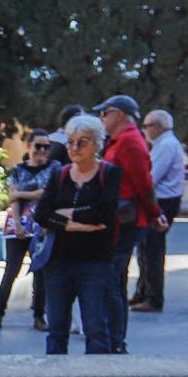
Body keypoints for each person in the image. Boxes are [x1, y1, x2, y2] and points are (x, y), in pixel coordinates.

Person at [31, 113, 122, 355]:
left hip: (95, 263)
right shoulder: (59, 174)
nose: (74, 147)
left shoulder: (109, 173)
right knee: (57, 330)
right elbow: (41, 214)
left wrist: (63, 216)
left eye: (82, 142)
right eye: (70, 142)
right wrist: (76, 223)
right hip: (58, 263)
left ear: (97, 144)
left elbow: (104, 214)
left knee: (95, 329)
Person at [95, 95, 163, 352]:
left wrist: (155, 213)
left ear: (120, 115)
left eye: (105, 113)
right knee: (115, 281)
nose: (102, 118)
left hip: (127, 222)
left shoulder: (130, 142)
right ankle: (115, 339)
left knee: (111, 280)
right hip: (118, 221)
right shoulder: (119, 141)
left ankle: (115, 342)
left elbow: (144, 184)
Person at [0, 128, 58, 331]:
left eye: (47, 147)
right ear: (29, 146)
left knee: (40, 272)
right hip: (18, 225)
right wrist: (19, 223)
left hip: (42, 226)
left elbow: (46, 193)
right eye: (38, 146)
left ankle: (39, 316)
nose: (43, 150)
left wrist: (20, 195)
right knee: (11, 270)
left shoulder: (54, 168)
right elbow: (12, 199)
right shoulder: (18, 170)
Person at [135, 108, 185, 313]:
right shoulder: (163, 144)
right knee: (145, 249)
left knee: (152, 250)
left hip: (163, 201)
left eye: (146, 126)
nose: (144, 130)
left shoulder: (166, 145)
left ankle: (153, 298)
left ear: (157, 127)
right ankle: (143, 292)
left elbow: (151, 178)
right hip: (162, 199)